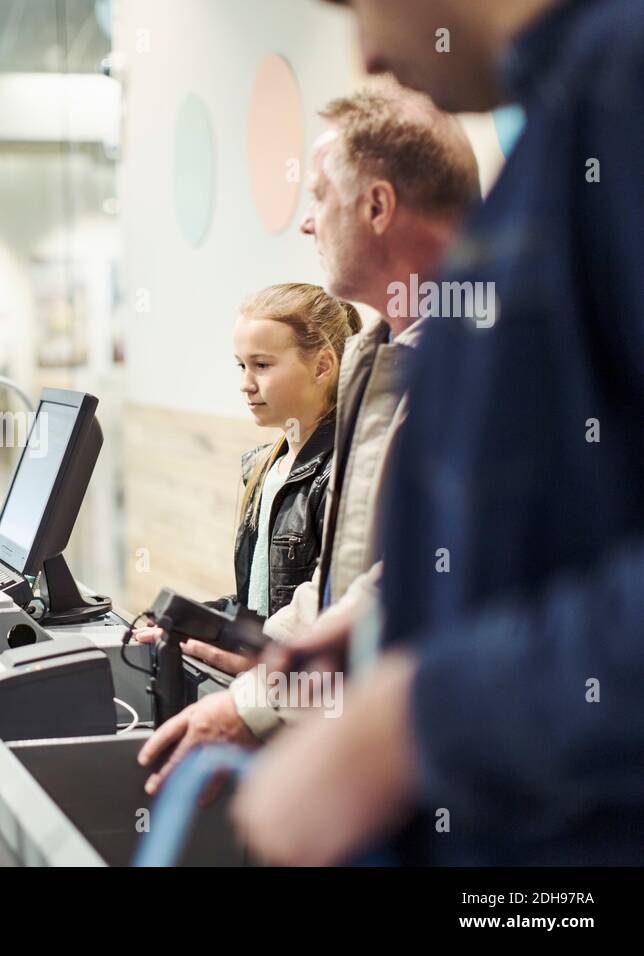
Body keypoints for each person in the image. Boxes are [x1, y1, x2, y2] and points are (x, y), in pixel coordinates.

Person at [234, 0, 644, 865]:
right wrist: (391, 631)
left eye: (356, 5)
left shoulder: (623, 86)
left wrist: (411, 720)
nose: (370, 51)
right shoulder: (557, 130)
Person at [139, 81, 481, 795]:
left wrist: (256, 706)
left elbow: (415, 582)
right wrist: (263, 653)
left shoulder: (482, 353)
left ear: (378, 206)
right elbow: (338, 582)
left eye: (319, 196)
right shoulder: (377, 354)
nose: (306, 224)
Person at [131, 283, 362, 686]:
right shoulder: (267, 468)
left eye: (263, 365)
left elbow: (329, 614)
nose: (245, 383)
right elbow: (255, 607)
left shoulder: (342, 473)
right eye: (241, 365)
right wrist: (187, 621)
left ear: (323, 366)